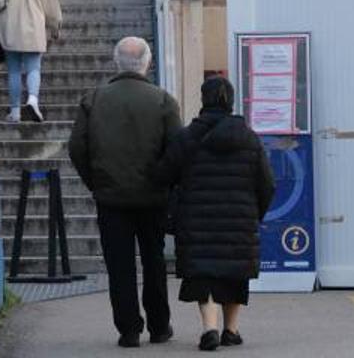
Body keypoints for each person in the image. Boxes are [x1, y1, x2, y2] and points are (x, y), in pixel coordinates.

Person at [68, 37, 182, 349]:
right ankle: (160, 326)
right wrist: (164, 182)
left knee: (120, 266)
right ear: (147, 63)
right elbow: (177, 150)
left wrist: (96, 181)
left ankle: (129, 330)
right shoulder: (163, 100)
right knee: (154, 260)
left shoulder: (94, 99)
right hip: (153, 198)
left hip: (111, 198)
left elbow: (77, 147)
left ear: (116, 62)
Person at [152, 77, 275, 352]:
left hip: (196, 219)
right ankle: (231, 330)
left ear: (203, 100)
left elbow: (163, 174)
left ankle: (210, 328)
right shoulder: (248, 137)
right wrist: (255, 214)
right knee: (235, 272)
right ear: (231, 102)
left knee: (204, 273)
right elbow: (267, 183)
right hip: (239, 219)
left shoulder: (186, 137)